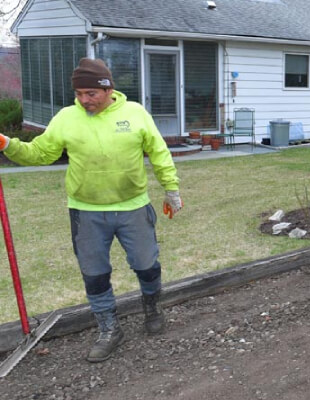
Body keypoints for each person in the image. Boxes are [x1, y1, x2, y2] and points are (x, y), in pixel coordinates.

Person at [0, 58, 182, 363]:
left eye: (91, 94)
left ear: (108, 88)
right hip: (86, 211)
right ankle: (109, 329)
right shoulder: (67, 118)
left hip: (133, 206)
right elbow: (41, 153)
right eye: (79, 94)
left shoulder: (135, 113)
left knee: (147, 265)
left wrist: (171, 188)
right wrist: (7, 144)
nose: (84, 100)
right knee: (94, 275)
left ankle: (152, 308)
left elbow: (158, 151)